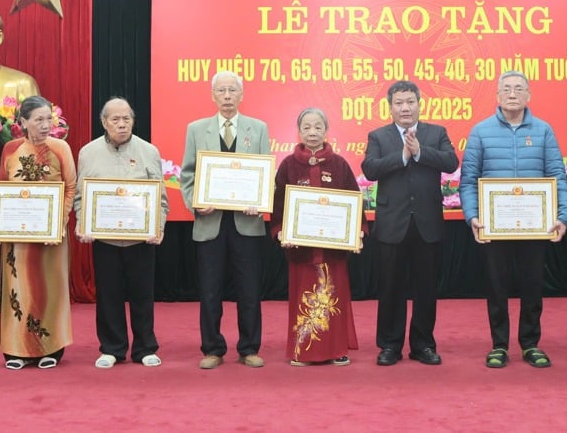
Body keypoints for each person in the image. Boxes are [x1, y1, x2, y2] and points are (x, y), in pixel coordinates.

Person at [459, 71, 567, 369]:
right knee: (497, 286)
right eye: (506, 89)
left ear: (528, 95)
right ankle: (499, 345)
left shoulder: (544, 131)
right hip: (495, 226)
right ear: (497, 95)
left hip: (535, 225)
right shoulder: (481, 132)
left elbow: (556, 175)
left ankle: (530, 343)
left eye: (518, 89)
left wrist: (564, 216)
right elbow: (469, 181)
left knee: (533, 285)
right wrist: (473, 216)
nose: (512, 94)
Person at [361, 81, 459, 366]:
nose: (405, 107)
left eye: (410, 102)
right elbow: (370, 168)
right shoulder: (378, 136)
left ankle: (423, 345)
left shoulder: (436, 132)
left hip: (427, 223)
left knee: (426, 288)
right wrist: (402, 157)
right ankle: (390, 345)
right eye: (399, 103)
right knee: (390, 287)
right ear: (390, 107)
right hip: (393, 223)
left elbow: (451, 162)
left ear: (419, 104)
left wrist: (419, 152)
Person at [180, 71, 270, 369]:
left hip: (247, 224)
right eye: (222, 91)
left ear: (242, 95)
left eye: (233, 90)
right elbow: (188, 175)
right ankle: (212, 349)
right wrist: (197, 203)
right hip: (210, 223)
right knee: (209, 290)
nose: (228, 96)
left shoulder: (257, 129)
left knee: (249, 290)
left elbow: (264, 175)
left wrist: (259, 203)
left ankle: (249, 348)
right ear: (213, 95)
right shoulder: (196, 129)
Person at [74, 97, 168, 369]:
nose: (122, 124)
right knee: (108, 294)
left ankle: (145, 347)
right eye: (115, 119)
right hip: (105, 238)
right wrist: (84, 224)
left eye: (127, 118)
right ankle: (111, 348)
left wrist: (157, 227)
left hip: (141, 238)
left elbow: (160, 198)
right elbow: (81, 197)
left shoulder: (148, 150)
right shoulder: (88, 152)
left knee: (142, 294)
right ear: (103, 122)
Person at [269, 108, 365, 367]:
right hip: (301, 250)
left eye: (318, 127)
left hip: (333, 250)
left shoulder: (339, 164)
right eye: (307, 127)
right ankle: (304, 351)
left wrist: (357, 232)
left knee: (334, 297)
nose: (312, 132)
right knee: (305, 296)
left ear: (326, 130)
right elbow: (278, 206)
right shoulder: (288, 165)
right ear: (299, 131)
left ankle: (337, 350)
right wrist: (280, 232)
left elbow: (355, 201)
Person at [0, 95, 75, 369]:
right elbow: (1, 189)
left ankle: (51, 349)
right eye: (38, 119)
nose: (45, 125)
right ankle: (16, 350)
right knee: (18, 289)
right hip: (17, 236)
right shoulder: (11, 149)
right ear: (23, 122)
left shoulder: (61, 147)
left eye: (49, 118)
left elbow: (71, 188)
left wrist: (60, 222)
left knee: (49, 289)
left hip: (51, 237)